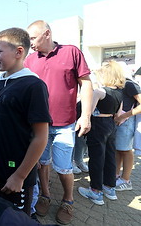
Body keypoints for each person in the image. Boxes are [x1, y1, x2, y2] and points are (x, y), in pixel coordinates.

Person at [0, 27, 50, 216]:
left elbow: (41, 137)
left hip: (13, 173)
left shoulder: (34, 85)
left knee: (13, 218)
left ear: (19, 52)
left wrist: (20, 176)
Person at [24, 20, 93, 225]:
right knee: (42, 164)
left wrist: (86, 115)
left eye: (33, 38)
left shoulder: (71, 52)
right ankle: (45, 195)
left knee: (64, 167)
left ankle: (67, 200)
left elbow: (86, 83)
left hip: (64, 124)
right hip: (39, 125)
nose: (30, 43)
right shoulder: (29, 60)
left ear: (47, 34)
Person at [78, 60, 124, 205]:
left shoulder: (99, 91)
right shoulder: (119, 93)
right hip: (111, 124)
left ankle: (95, 191)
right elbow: (118, 114)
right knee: (110, 157)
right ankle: (110, 188)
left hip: (98, 125)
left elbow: (88, 112)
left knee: (96, 158)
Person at [113, 63, 141, 191]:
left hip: (126, 122)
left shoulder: (129, 84)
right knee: (119, 149)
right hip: (121, 121)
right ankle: (116, 175)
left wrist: (123, 117)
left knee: (125, 150)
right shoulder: (122, 83)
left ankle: (126, 180)